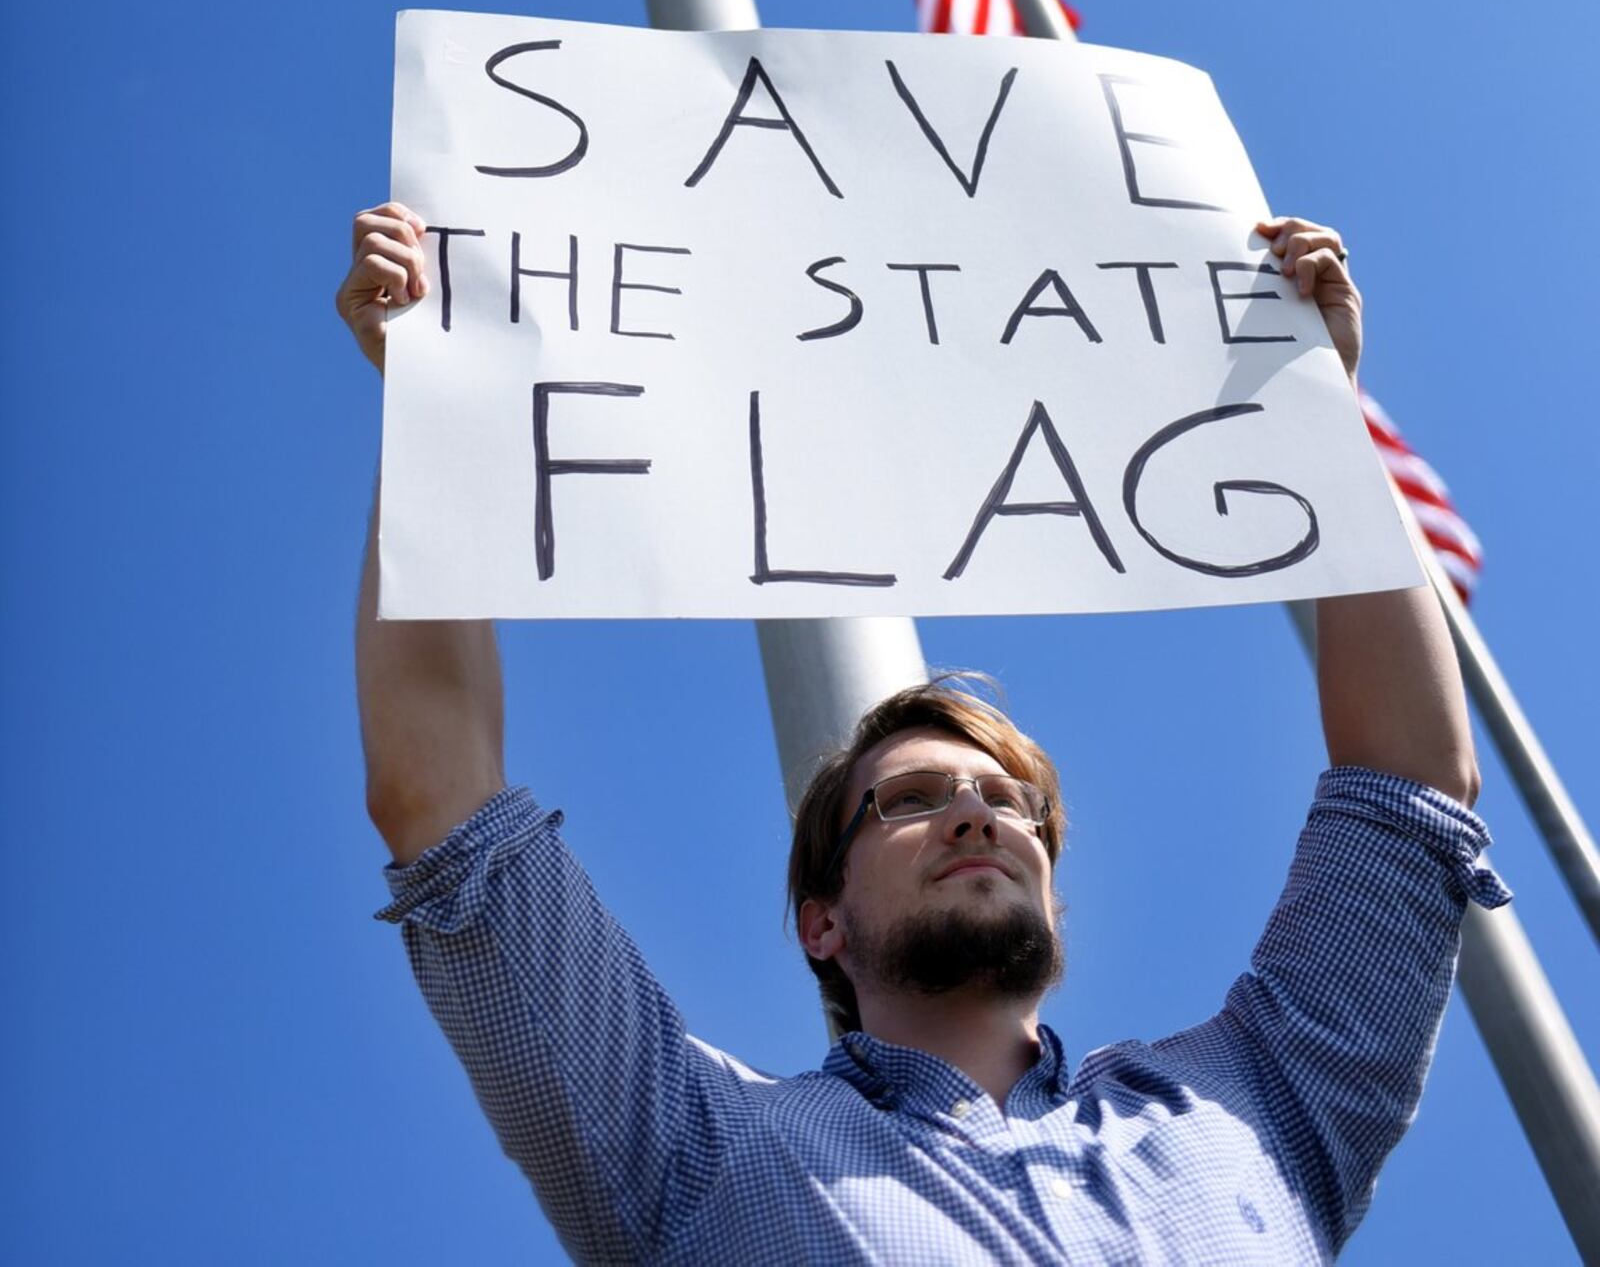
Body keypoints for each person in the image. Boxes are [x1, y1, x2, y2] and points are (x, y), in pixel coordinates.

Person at [340, 203, 1508, 1265]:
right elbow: (439, 798)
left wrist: (1316, 412)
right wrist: (433, 406)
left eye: (1008, 801)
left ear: (1054, 896)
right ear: (820, 919)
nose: (974, 810)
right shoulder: (690, 1152)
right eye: (909, 800)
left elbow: (1408, 783)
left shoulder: (1262, 1096)